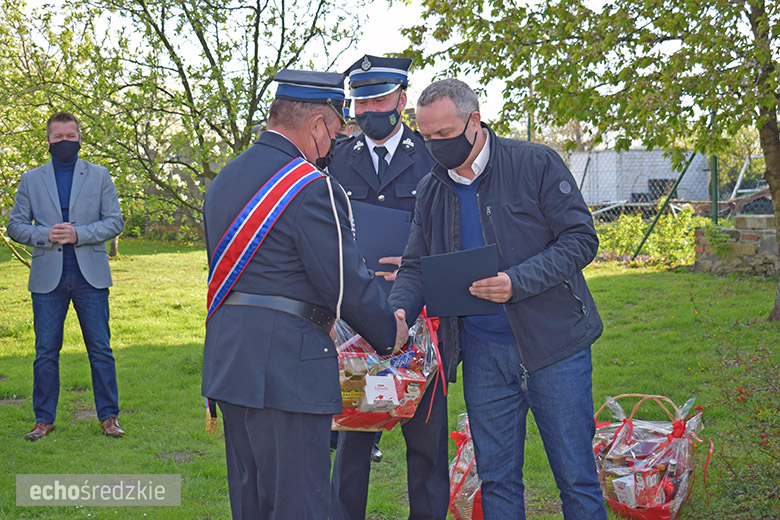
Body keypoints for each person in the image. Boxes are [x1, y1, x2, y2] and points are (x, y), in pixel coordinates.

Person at [389, 78, 608, 520]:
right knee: (497, 482)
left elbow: (581, 238)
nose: (434, 147)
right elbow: (415, 265)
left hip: (554, 347)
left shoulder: (535, 163)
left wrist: (517, 280)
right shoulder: (431, 189)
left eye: (444, 136)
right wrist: (397, 312)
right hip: (483, 354)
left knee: (577, 479)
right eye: (425, 137)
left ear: (475, 121)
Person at [201, 69, 408, 520]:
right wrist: (389, 331)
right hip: (288, 368)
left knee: (251, 501)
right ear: (317, 124)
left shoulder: (225, 178)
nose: (332, 144)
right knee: (299, 505)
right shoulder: (311, 186)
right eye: (334, 131)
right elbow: (343, 282)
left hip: (231, 359)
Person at [328, 55, 450, 520]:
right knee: (355, 438)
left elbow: (453, 230)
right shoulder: (336, 157)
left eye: (379, 99)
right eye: (360, 102)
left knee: (426, 443)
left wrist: (423, 267)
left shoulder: (433, 153)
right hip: (355, 321)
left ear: (402, 99)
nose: (369, 110)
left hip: (420, 319)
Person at [8, 112, 125, 440]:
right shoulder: (31, 179)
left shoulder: (100, 175)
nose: (64, 142)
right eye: (57, 137)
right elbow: (15, 225)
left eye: (70, 137)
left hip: (91, 277)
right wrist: (46, 234)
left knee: (100, 348)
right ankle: (43, 419)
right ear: (47, 140)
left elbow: (114, 221)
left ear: (79, 138)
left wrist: (80, 233)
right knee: (45, 351)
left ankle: (109, 417)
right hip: (48, 279)